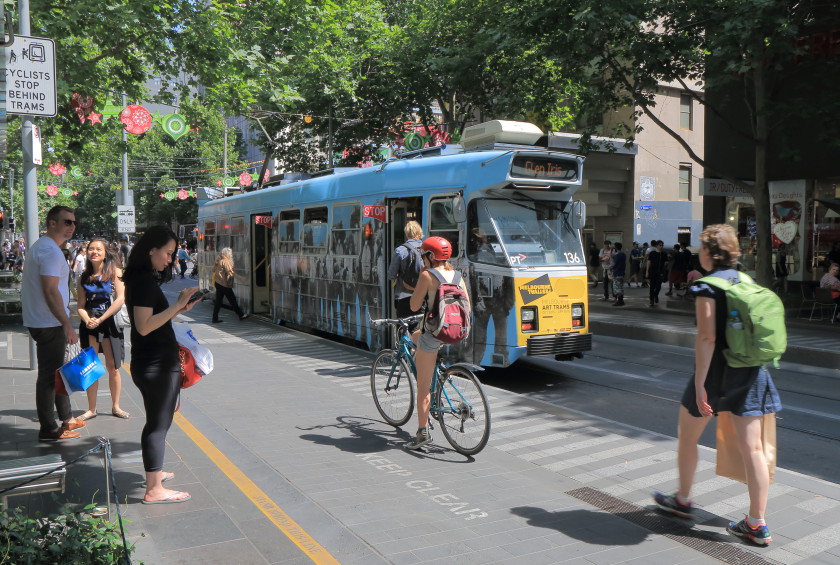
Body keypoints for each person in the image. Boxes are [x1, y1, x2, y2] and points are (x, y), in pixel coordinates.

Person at [654, 224, 781, 546]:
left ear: (710, 253)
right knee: (753, 449)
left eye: (702, 248)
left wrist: (700, 385)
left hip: (716, 375)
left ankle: (683, 499)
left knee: (688, 437)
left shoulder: (707, 287)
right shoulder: (748, 282)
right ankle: (756, 522)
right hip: (751, 372)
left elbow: (707, 337)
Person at [123, 225, 199, 504]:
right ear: (151, 249)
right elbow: (143, 327)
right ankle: (154, 489)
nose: (170, 259)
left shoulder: (141, 279)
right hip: (155, 363)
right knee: (159, 424)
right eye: (167, 253)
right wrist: (176, 305)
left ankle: (155, 473)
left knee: (158, 422)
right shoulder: (143, 281)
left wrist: (178, 309)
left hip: (151, 362)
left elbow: (151, 322)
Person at [21, 205, 86, 441]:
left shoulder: (46, 248)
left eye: (73, 222)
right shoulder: (49, 250)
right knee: (50, 376)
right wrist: (66, 323)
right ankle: (48, 428)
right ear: (52, 223)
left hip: (44, 319)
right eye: (67, 222)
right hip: (48, 322)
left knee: (58, 372)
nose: (71, 226)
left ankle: (66, 418)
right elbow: (50, 291)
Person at [406, 236, 470, 450]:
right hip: (456, 331)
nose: (422, 259)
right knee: (416, 336)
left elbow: (414, 306)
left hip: (434, 334)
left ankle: (422, 434)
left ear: (431, 256)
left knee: (423, 387)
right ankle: (435, 372)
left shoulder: (427, 275)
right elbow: (467, 306)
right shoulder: (458, 276)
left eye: (424, 255)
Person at [76, 238, 129, 421]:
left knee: (113, 367)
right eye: (91, 249)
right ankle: (92, 409)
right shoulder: (83, 277)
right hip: (90, 324)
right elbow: (80, 305)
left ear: (106, 252)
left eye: (98, 249)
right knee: (91, 367)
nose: (94, 252)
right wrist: (88, 320)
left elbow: (120, 299)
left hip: (110, 323)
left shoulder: (115, 272)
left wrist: (101, 319)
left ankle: (116, 406)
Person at [387, 221, 424, 318]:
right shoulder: (427, 248)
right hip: (422, 295)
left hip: (403, 296)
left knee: (404, 327)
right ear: (420, 232)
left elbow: (391, 275)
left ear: (407, 233)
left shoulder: (401, 250)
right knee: (419, 327)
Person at [212, 247, 248, 323]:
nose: (232, 254)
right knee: (232, 300)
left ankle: (214, 318)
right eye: (231, 253)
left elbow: (213, 270)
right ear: (227, 254)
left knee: (218, 301)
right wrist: (241, 278)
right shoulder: (226, 261)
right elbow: (230, 272)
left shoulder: (219, 260)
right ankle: (241, 315)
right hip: (224, 284)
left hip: (218, 283)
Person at [646, 240, 668, 307]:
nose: (661, 247)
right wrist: (647, 271)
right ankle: (651, 300)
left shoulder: (664, 254)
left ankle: (656, 295)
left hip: (660, 272)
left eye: (662, 245)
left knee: (658, 286)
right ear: (656, 245)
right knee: (652, 287)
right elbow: (648, 262)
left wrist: (666, 264)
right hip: (652, 272)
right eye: (660, 245)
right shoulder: (652, 253)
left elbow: (666, 262)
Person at [611, 242, 626, 306]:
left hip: (616, 273)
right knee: (621, 287)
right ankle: (621, 300)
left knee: (617, 287)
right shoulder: (623, 255)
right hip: (622, 273)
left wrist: (611, 266)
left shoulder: (617, 256)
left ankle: (619, 301)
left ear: (616, 247)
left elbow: (613, 264)